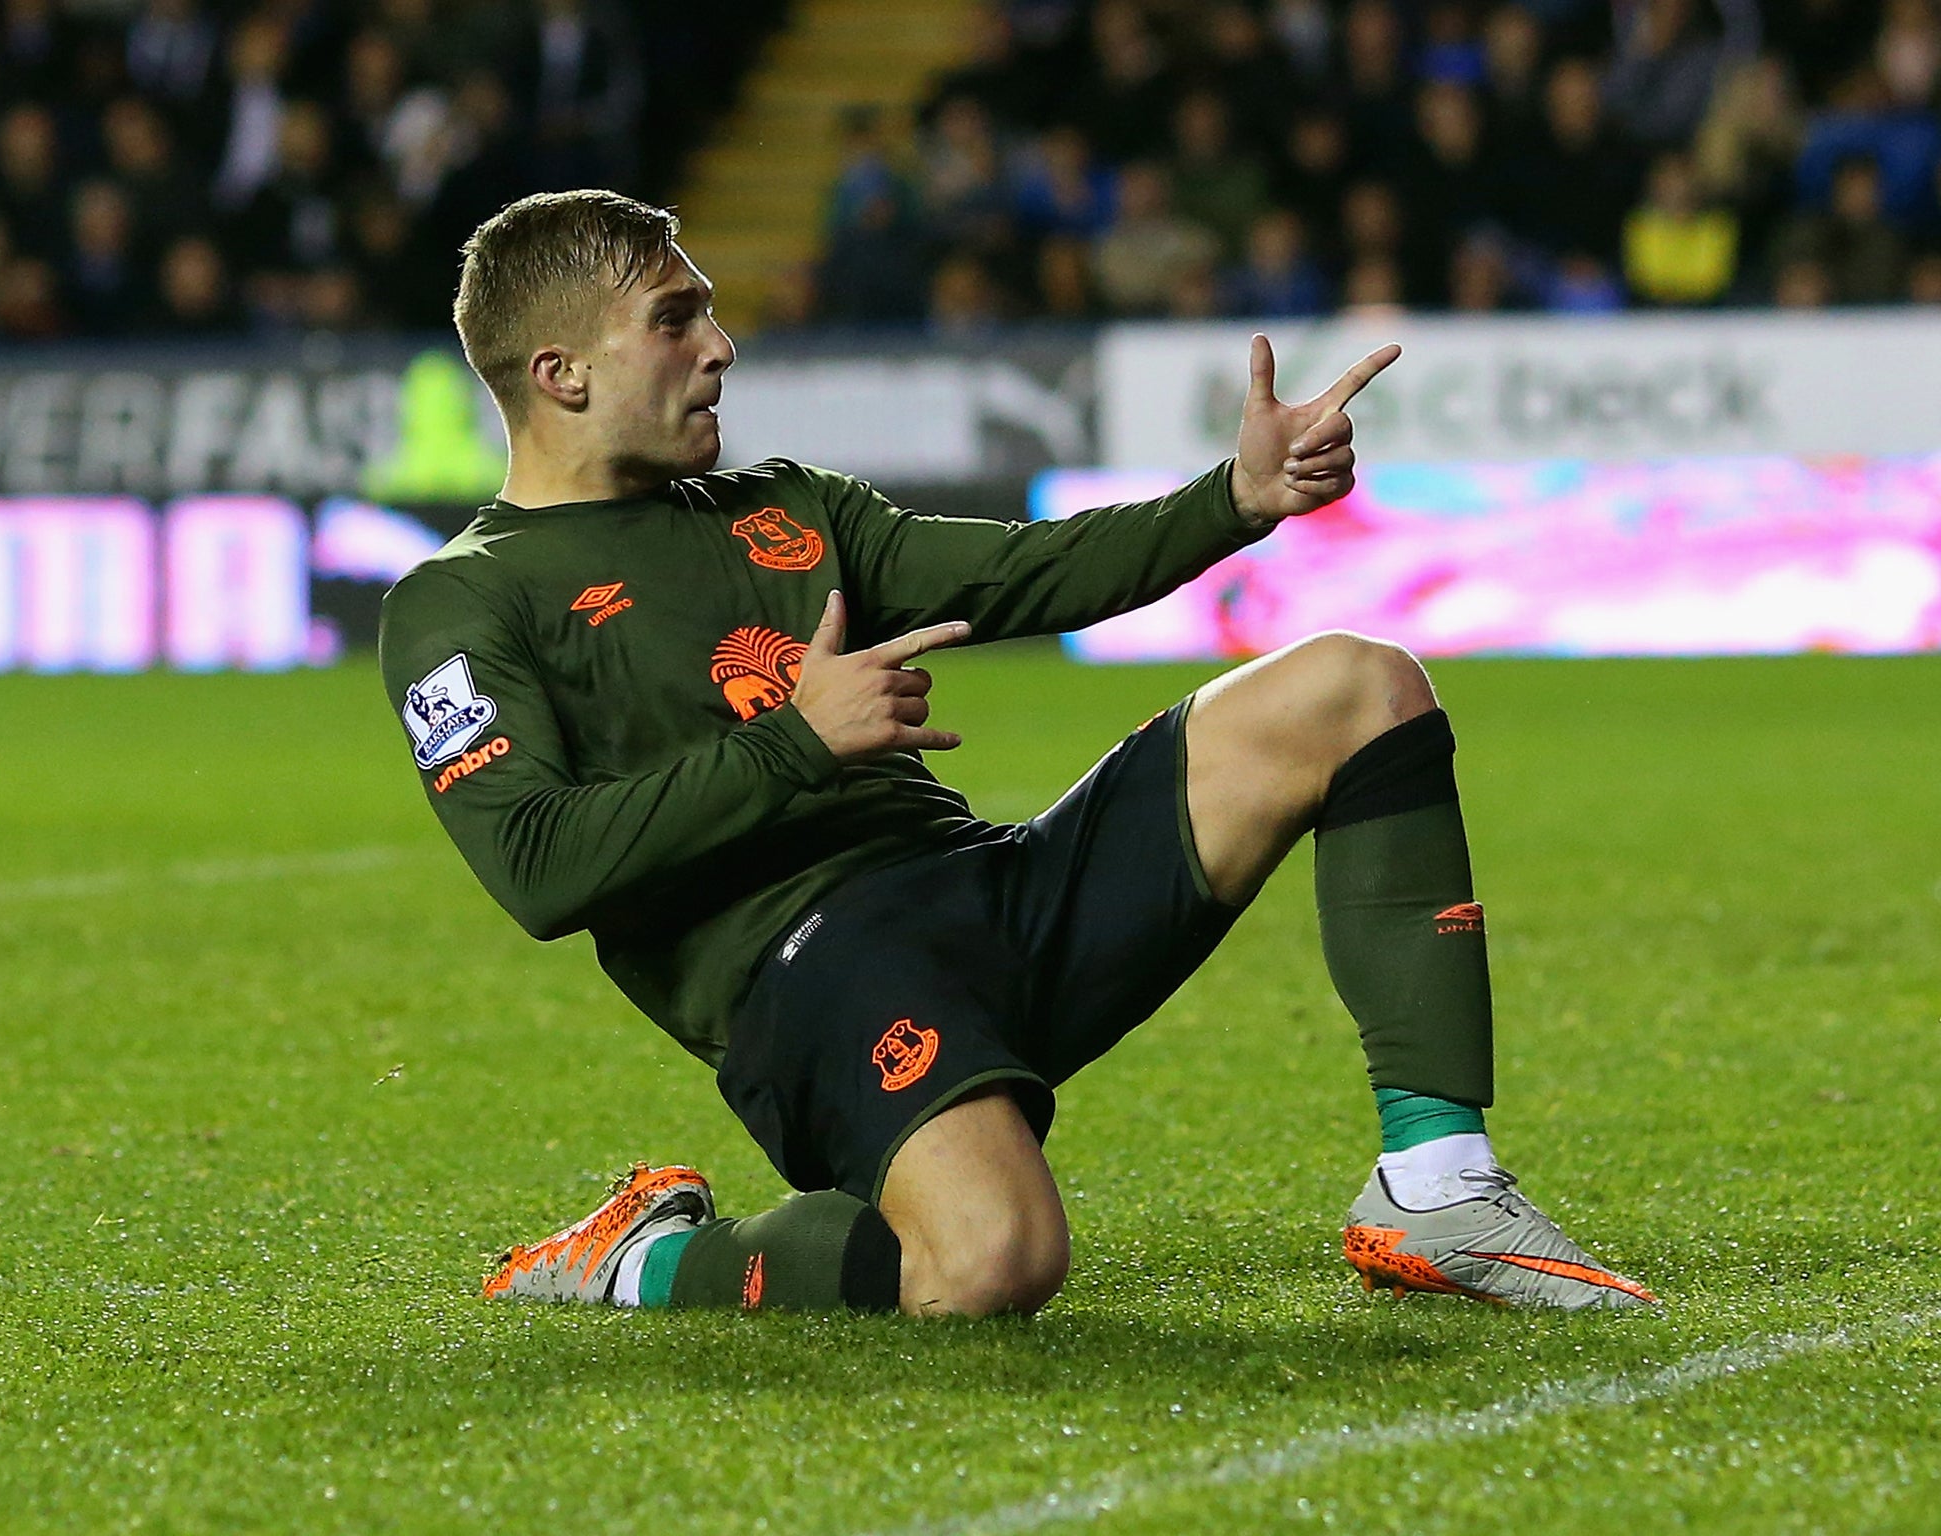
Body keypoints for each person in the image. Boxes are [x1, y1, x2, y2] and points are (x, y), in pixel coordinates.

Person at [378, 189, 1656, 1318]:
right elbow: (538, 869)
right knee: (988, 1265)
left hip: (987, 889)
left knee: (1355, 686)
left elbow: (1015, 573)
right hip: (806, 976)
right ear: (560, 374)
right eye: (674, 319)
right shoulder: (462, 603)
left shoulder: (784, 508)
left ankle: (1432, 1187)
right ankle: (645, 1261)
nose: (719, 347)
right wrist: (794, 742)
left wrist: (1232, 498)